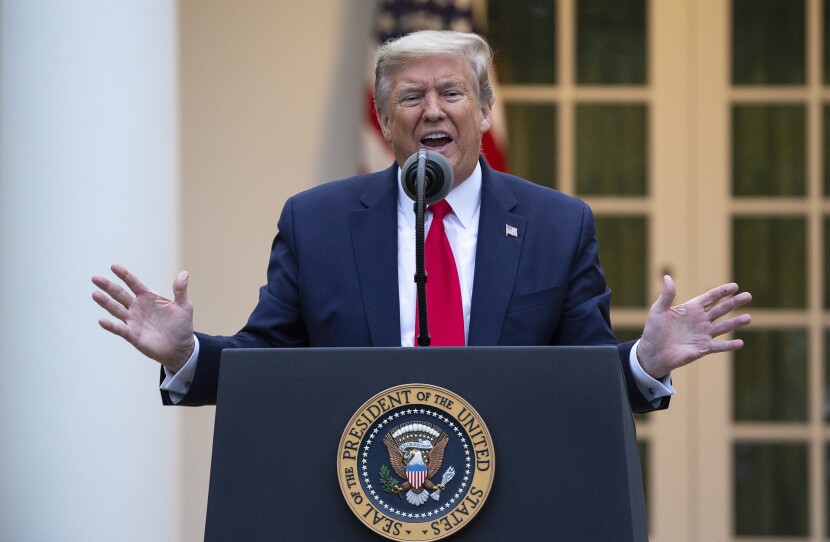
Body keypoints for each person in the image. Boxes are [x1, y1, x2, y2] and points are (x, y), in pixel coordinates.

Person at [91, 30, 751, 412]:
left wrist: (644, 360)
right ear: (384, 121)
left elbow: (579, 380)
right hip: (356, 503)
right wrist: (186, 352)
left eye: (452, 93)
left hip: (512, 508)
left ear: (484, 111)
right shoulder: (316, 223)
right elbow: (267, 364)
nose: (432, 111)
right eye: (411, 97)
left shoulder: (556, 225)